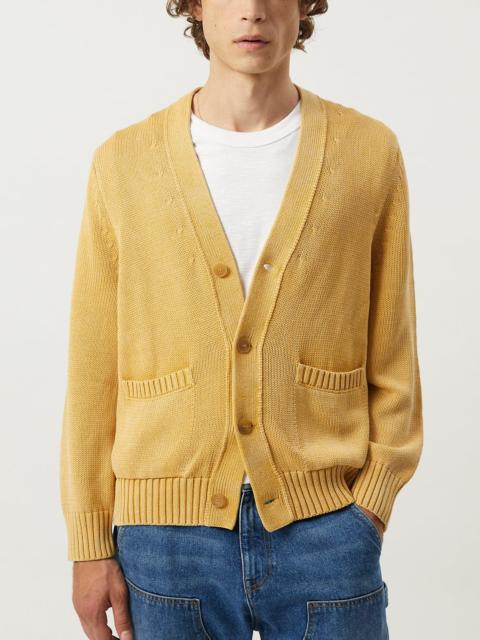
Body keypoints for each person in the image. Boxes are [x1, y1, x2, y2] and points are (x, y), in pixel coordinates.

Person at [59, 1, 423, 638]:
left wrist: (371, 505)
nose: (252, 12)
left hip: (328, 527)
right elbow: (94, 369)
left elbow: (393, 345)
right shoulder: (124, 163)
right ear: (196, 7)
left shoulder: (368, 153)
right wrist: (89, 541)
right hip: (164, 536)